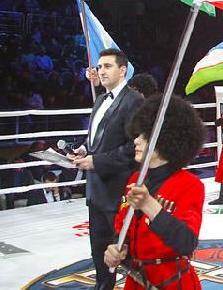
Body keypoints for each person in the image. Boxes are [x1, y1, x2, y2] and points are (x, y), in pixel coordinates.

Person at [104, 94, 207, 289]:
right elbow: (122, 226)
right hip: (136, 280)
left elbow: (186, 243)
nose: (136, 140)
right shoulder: (135, 180)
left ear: (165, 140)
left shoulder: (190, 185)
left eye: (144, 136)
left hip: (171, 281)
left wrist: (149, 205)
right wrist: (118, 248)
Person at [69, 48, 143, 290]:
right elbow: (97, 137)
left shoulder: (134, 100)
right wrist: (83, 149)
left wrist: (97, 161)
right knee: (99, 251)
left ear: (122, 70)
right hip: (96, 190)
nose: (101, 71)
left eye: (107, 66)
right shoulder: (101, 100)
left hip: (118, 191)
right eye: (99, 67)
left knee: (127, 253)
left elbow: (134, 146)